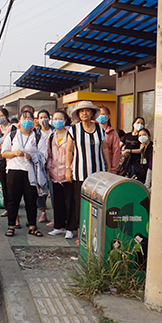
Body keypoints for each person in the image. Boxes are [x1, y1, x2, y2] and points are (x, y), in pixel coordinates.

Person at [65, 101, 111, 237]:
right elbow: (69, 150)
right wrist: (68, 168)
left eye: (87, 111)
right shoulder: (74, 130)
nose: (84, 113)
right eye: (81, 111)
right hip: (80, 173)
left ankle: (96, 231)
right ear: (78, 114)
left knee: (97, 202)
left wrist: (108, 166)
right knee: (80, 203)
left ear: (92, 113)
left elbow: (104, 148)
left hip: (98, 172)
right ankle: (81, 231)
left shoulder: (99, 129)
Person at [1, 109, 47, 237]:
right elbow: (4, 152)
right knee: (13, 200)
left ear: (33, 121)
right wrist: (15, 153)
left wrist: (32, 156)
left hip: (31, 172)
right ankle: (11, 226)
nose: (26, 121)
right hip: (14, 171)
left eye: (29, 118)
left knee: (31, 200)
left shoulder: (37, 137)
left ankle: (32, 226)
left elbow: (44, 155)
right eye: (24, 118)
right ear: (19, 121)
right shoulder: (12, 135)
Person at [46, 110, 74, 239]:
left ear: (65, 120)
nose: (57, 121)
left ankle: (70, 228)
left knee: (70, 202)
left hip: (68, 173)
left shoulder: (71, 134)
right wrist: (49, 168)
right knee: (57, 202)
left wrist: (71, 169)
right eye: (55, 118)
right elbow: (49, 154)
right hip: (55, 174)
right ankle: (58, 226)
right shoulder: (52, 136)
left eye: (60, 118)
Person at [0, 108, 17, 223]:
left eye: (2, 115)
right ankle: (8, 209)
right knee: (4, 186)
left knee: (13, 187)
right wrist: (3, 138)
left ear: (7, 116)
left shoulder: (14, 127)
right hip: (1, 161)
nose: (0, 118)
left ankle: (15, 210)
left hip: (12, 160)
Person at [35, 110, 53, 223]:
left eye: (45, 117)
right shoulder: (35, 133)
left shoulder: (54, 131)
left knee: (54, 189)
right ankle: (43, 212)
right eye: (41, 117)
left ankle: (56, 216)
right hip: (40, 165)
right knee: (40, 189)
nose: (43, 119)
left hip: (53, 164)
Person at [97, 105, 120, 174]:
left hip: (107, 168)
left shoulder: (113, 133)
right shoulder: (93, 131)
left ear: (108, 116)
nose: (100, 116)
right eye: (99, 114)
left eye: (103, 114)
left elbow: (116, 152)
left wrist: (113, 168)